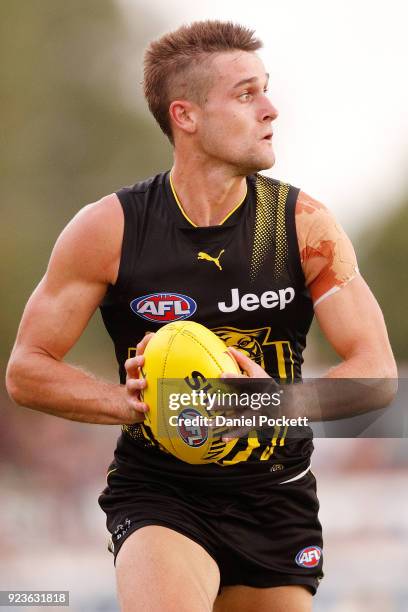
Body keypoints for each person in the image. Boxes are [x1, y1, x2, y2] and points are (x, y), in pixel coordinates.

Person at [6, 20, 396, 612]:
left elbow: (377, 374)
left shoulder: (301, 224)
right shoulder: (109, 228)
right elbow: (26, 370)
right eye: (245, 94)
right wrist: (126, 403)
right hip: (162, 492)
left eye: (265, 89)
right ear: (185, 116)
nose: (270, 109)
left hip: (275, 496)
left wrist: (272, 401)